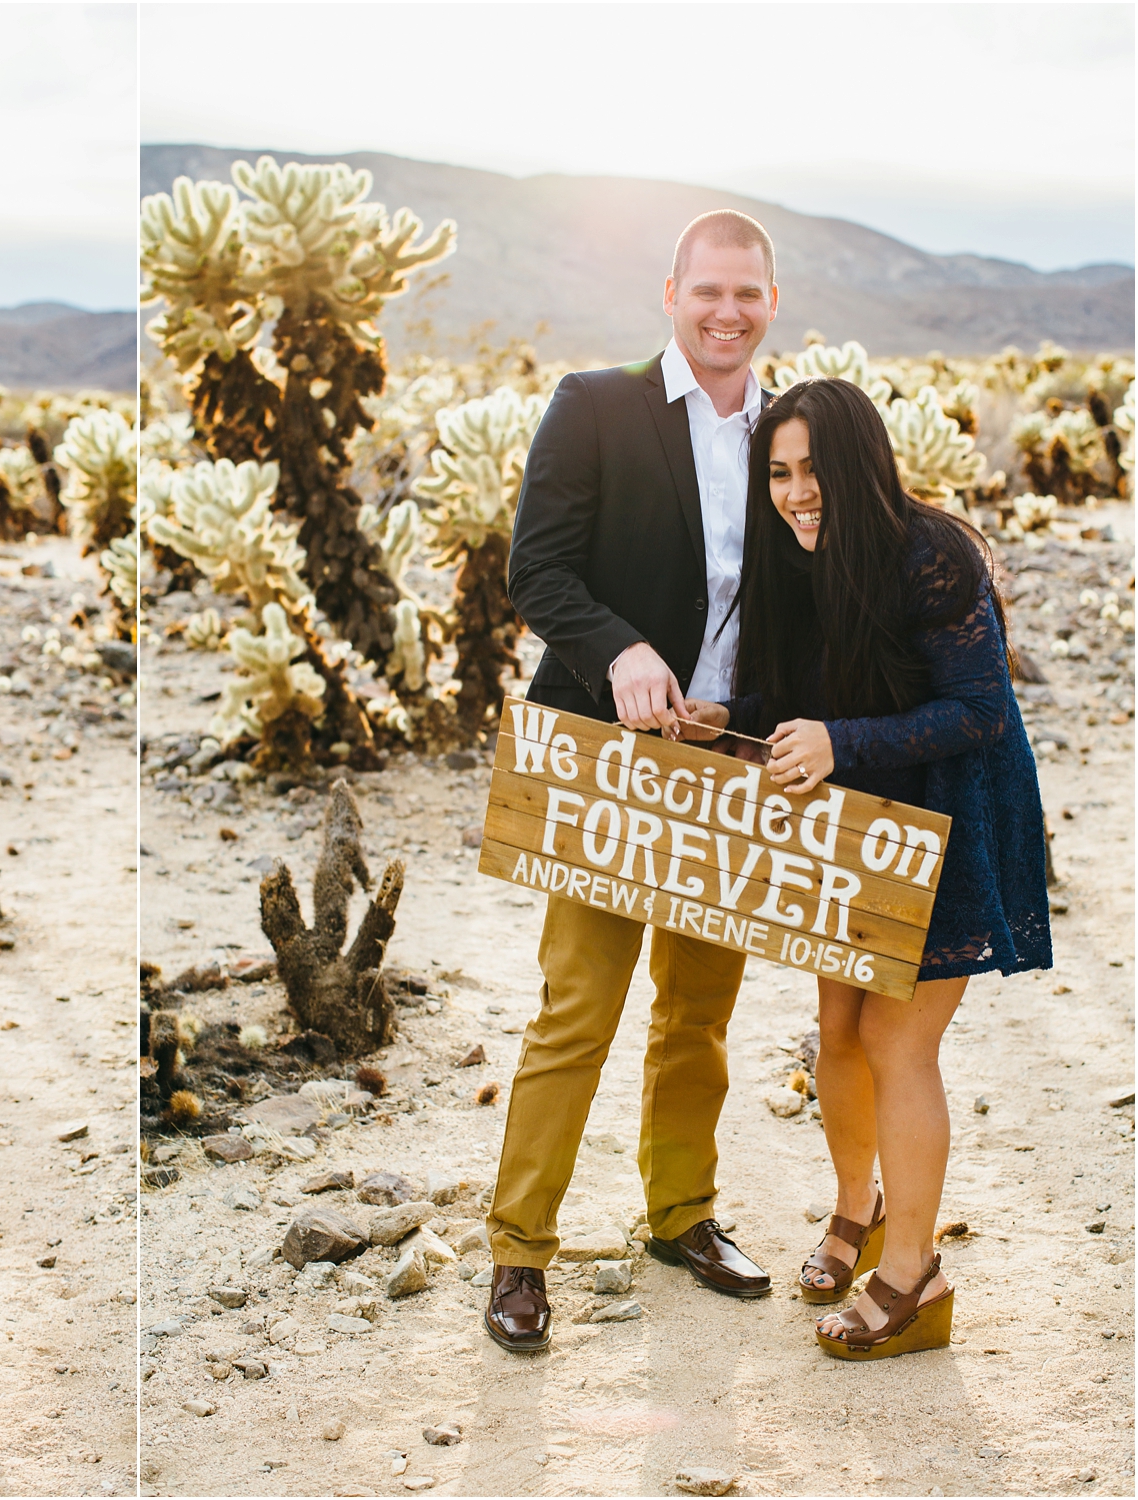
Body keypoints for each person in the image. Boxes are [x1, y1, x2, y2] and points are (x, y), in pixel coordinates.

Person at [679, 376, 1051, 1359]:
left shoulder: (930, 554)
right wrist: (735, 720)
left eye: (815, 472)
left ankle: (911, 1280)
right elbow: (787, 684)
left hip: (949, 817)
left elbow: (976, 711)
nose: (797, 492)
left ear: (859, 468)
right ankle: (858, 1212)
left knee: (895, 1038)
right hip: (856, 826)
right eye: (779, 473)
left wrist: (837, 742)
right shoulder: (791, 560)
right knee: (835, 1027)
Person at [483, 210, 782, 1354]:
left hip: (727, 761)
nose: (725, 312)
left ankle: (682, 1217)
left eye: (745, 294)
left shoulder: (787, 428)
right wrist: (620, 649)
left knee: (698, 1014)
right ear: (669, 293)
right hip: (605, 760)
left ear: (769, 301)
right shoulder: (594, 405)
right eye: (707, 291)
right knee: (577, 1007)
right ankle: (517, 1252)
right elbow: (535, 568)